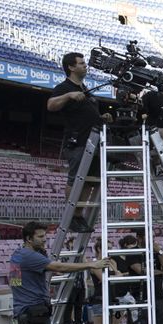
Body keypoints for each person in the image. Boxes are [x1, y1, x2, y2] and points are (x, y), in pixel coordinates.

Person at [47, 52, 112, 233]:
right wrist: (69, 95)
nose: (85, 65)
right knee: (76, 179)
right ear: (71, 67)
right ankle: (71, 216)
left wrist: (102, 117)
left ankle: (78, 214)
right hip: (78, 142)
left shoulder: (86, 89)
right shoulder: (64, 87)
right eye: (81, 63)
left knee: (90, 181)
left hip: (94, 141)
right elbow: (50, 105)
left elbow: (88, 115)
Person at [87, 242, 123, 324]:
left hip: (112, 298)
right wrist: (116, 275)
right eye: (107, 247)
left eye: (110, 247)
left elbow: (117, 276)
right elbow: (105, 279)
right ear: (98, 248)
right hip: (100, 299)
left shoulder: (112, 262)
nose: (109, 250)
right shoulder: (95, 263)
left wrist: (116, 275)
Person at [61, 238, 89, 324]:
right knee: (68, 307)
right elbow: (66, 266)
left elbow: (86, 264)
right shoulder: (66, 254)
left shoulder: (81, 254)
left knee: (79, 306)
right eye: (73, 243)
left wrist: (82, 254)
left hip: (80, 283)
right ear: (69, 244)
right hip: (69, 284)